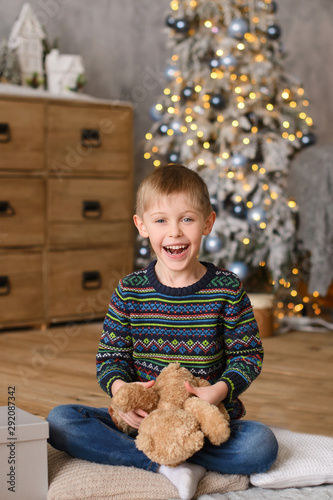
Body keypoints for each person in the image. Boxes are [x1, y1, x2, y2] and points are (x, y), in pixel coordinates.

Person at [47, 164, 278, 500]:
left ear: (208, 223)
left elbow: (247, 355)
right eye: (161, 220)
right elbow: (110, 357)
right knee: (60, 421)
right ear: (142, 225)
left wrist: (219, 391)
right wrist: (121, 391)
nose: (175, 233)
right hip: (143, 420)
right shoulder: (129, 290)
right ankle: (167, 464)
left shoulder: (226, 289)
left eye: (187, 219)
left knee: (261, 446)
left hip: (204, 418)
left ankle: (177, 453)